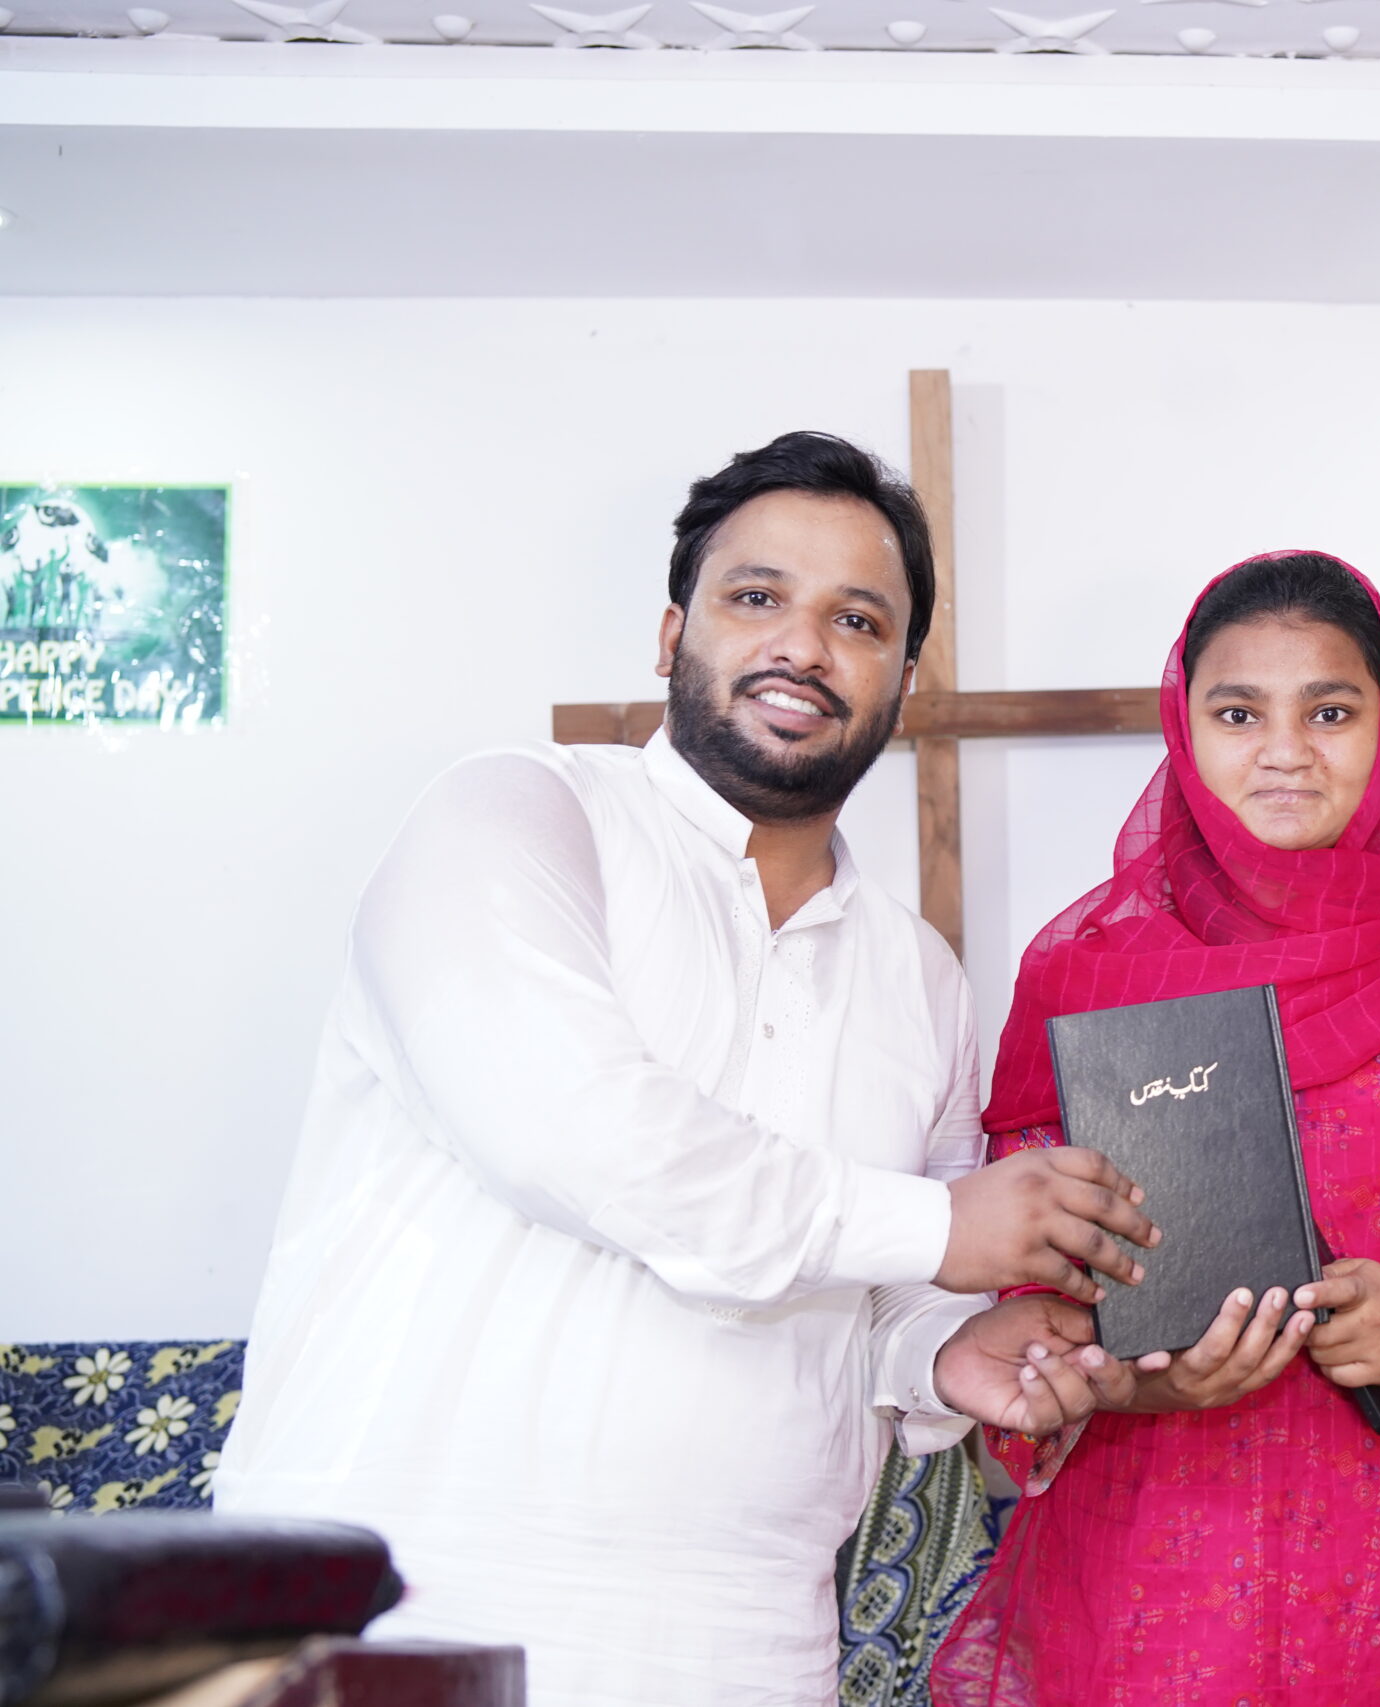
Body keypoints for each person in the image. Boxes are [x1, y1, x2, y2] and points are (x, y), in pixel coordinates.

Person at [214, 432, 1160, 1707]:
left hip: (748, 1630)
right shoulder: (515, 815)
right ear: (672, 635)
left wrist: (950, 1353)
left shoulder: (920, 977)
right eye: (756, 597)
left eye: (857, 620)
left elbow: (888, 1289)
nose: (802, 648)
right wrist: (945, 1228)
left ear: (903, 679)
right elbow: (584, 1138)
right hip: (408, 1588)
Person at [930, 552, 1380, 1707]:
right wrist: (1143, 1380)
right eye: (1238, 713)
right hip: (1153, 1572)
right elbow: (1024, 1301)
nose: (1285, 750)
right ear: (1184, 730)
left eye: (1330, 711)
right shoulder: (1086, 987)